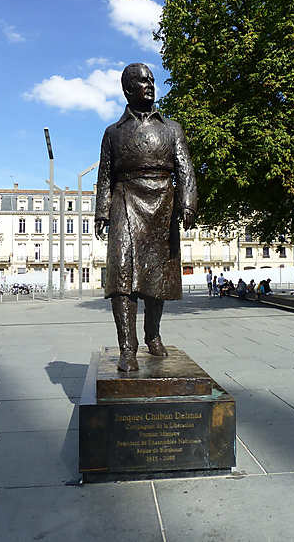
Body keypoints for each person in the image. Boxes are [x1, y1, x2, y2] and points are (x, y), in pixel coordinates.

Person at [95, 63, 197, 371]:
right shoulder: (112, 133)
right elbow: (104, 176)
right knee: (121, 276)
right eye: (142, 81)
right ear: (127, 89)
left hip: (163, 201)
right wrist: (101, 211)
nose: (149, 85)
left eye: (151, 80)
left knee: (157, 274)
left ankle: (152, 333)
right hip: (125, 198)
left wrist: (188, 202)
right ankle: (128, 348)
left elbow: (185, 168)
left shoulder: (172, 128)